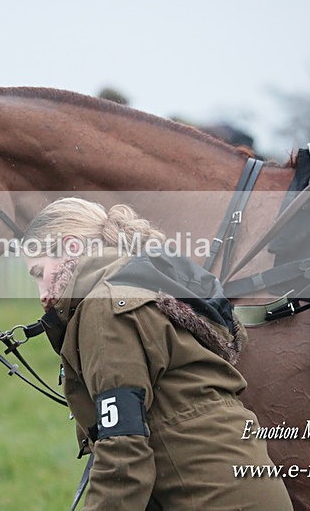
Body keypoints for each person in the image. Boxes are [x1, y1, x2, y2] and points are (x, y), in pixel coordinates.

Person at [23, 197, 291, 510]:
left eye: (41, 272)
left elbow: (122, 452)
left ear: (70, 248)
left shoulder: (106, 307)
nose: (42, 294)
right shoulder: (140, 286)